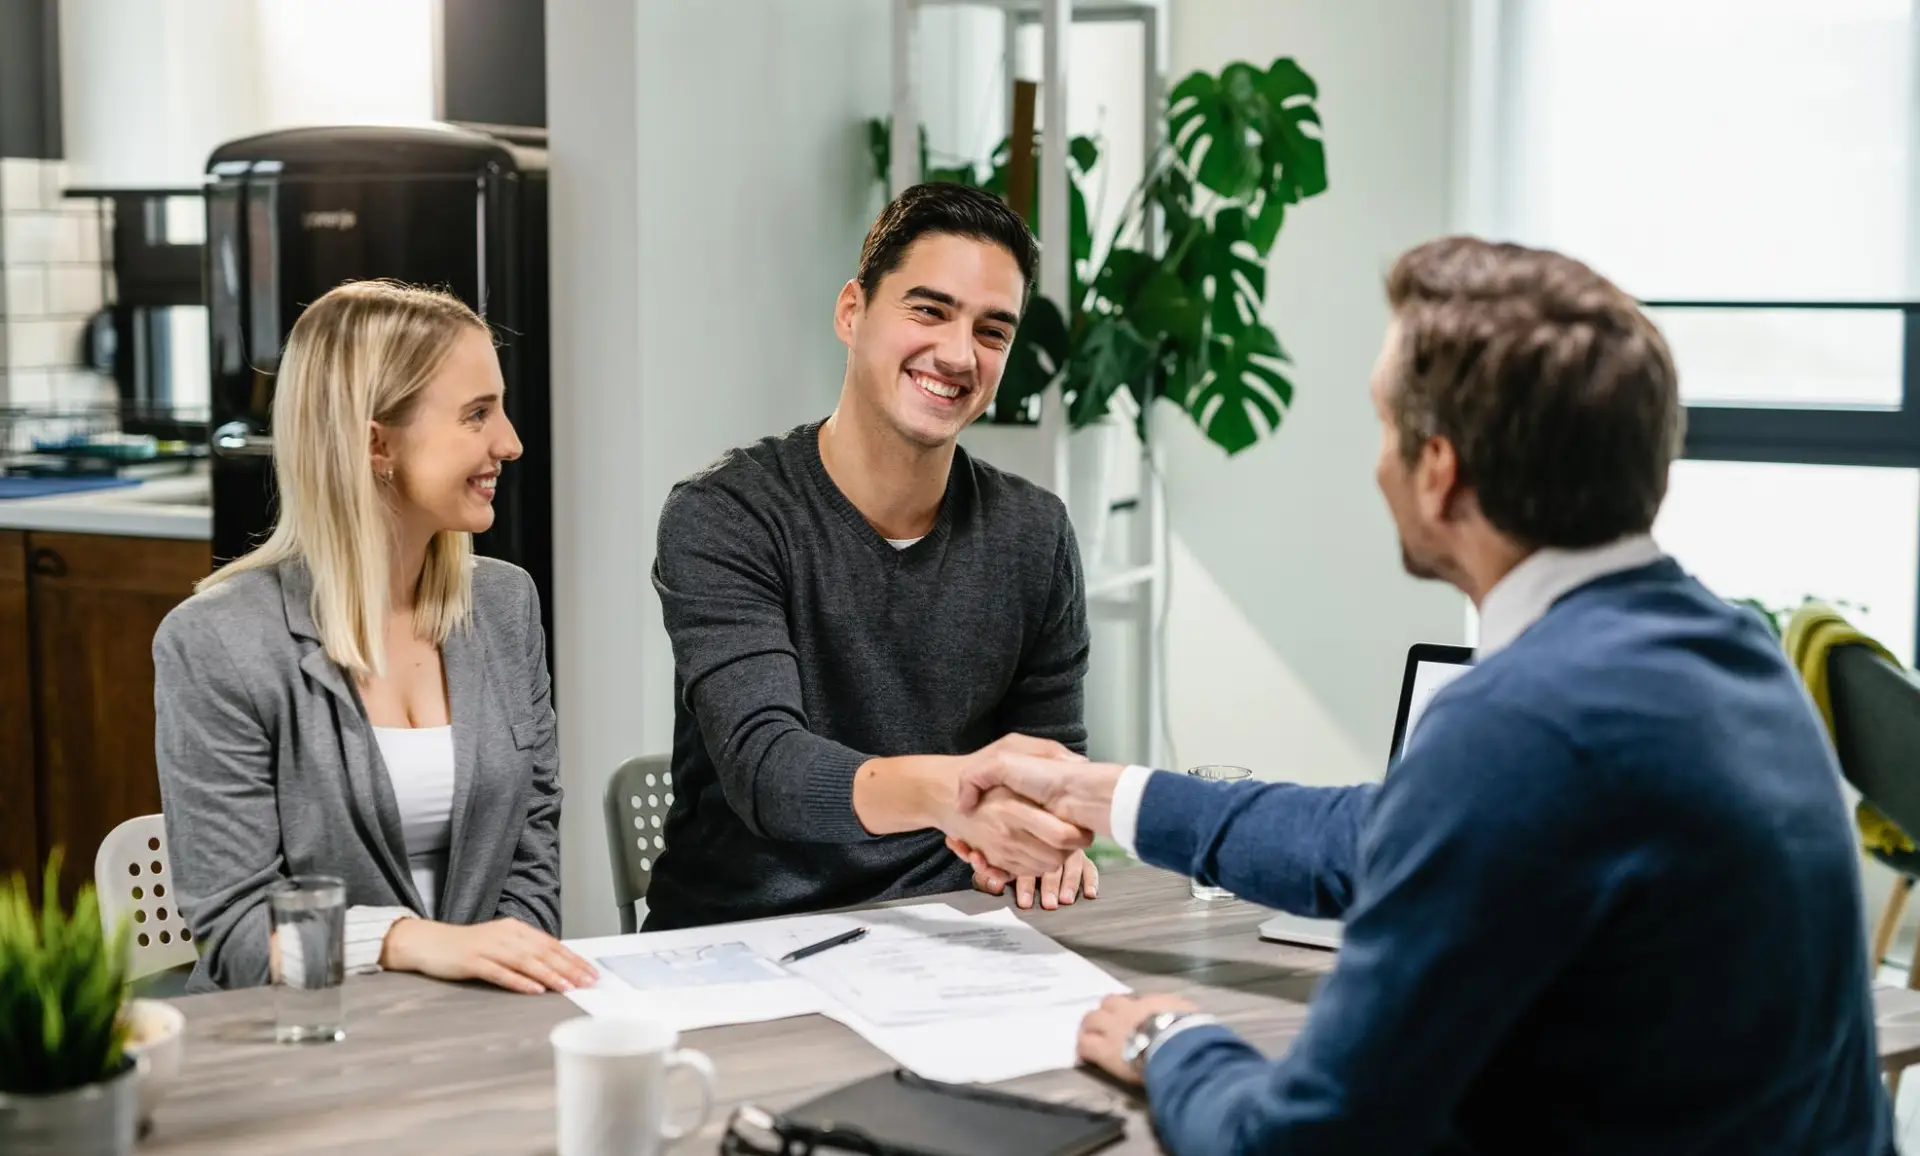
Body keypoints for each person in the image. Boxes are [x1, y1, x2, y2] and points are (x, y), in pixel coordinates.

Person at [951, 238, 1897, 1154]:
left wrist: (1171, 1040)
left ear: (1439, 471)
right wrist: (1102, 792)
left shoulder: (1522, 726)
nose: (1378, 463)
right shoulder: (1736, 652)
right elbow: (1385, 836)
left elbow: (1303, 1142)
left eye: (1385, 426)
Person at [644, 182, 1096, 930]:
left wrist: (1051, 835)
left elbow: (1049, 763)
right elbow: (769, 771)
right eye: (929, 310)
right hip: (746, 940)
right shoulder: (727, 515)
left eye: (992, 331)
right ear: (852, 312)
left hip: (958, 929)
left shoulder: (1034, 533)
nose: (958, 354)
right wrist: (959, 794)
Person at [155, 281, 597, 997]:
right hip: (299, 1033)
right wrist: (410, 943)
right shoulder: (217, 641)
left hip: (481, 1025)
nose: (510, 443)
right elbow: (236, 936)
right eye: (477, 414)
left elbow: (532, 848)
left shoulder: (504, 604)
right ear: (375, 443)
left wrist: (488, 1001)